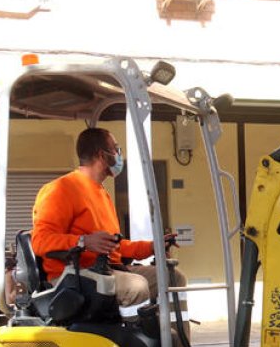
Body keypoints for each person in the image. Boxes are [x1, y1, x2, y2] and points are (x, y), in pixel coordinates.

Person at [31, 127, 184, 317]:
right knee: (137, 286)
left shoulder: (101, 192)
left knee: (174, 277)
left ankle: (174, 343)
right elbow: (40, 242)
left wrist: (153, 246)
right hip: (73, 277)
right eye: (116, 149)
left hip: (106, 270)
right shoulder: (60, 189)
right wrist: (83, 242)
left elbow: (114, 246)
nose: (119, 155)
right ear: (101, 155)